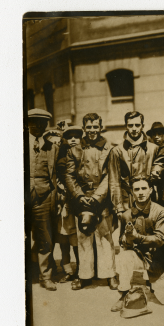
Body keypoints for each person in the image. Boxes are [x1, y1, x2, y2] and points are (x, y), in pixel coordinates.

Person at [65, 113, 118, 290]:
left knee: (104, 237)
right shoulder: (75, 149)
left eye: (96, 127)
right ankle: (84, 275)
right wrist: (80, 196)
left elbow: (110, 175)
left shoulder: (109, 148)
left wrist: (96, 197)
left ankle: (109, 274)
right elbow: (69, 175)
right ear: (84, 128)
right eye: (89, 127)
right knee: (84, 237)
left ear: (100, 127)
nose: (92, 131)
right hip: (82, 199)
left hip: (101, 199)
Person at [111, 176, 164, 312]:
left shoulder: (160, 211)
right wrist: (128, 238)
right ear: (132, 192)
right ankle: (124, 293)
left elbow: (160, 239)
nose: (141, 192)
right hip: (138, 255)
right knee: (124, 256)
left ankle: (153, 281)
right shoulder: (126, 215)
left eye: (144, 188)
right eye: (136, 189)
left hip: (157, 259)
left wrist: (136, 237)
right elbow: (123, 242)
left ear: (150, 190)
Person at [108, 111, 164, 219]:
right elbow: (114, 182)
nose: (134, 128)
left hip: (150, 199)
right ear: (126, 126)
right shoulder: (117, 151)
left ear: (143, 126)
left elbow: (161, 180)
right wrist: (119, 207)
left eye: (137, 125)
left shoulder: (153, 149)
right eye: (130, 125)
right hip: (127, 201)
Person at [27, 108, 59, 291]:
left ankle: (45, 276)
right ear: (27, 123)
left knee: (44, 237)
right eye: (34, 122)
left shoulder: (52, 147)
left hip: (43, 197)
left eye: (42, 123)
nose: (38, 126)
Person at [55, 125, 82, 283]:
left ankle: (80, 269)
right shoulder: (60, 154)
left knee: (77, 240)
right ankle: (68, 270)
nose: (73, 140)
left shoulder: (83, 153)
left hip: (77, 202)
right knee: (64, 239)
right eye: (70, 137)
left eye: (76, 137)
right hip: (63, 202)